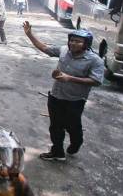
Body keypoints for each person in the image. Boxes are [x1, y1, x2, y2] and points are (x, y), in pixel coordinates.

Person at [22, 22, 104, 161]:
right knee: (55, 127)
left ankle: (76, 142)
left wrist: (69, 78)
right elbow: (44, 48)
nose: (73, 43)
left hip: (75, 100)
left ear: (86, 44)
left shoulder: (95, 60)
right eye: (72, 40)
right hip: (56, 96)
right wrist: (30, 34)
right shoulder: (64, 50)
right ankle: (57, 152)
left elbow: (96, 81)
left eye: (78, 41)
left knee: (73, 127)